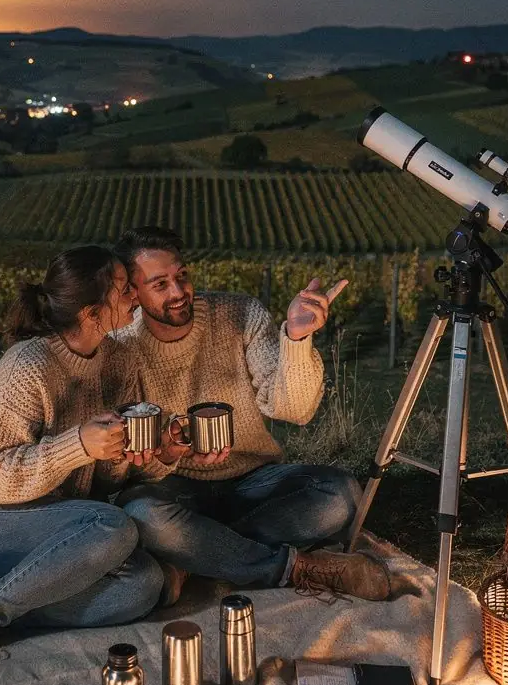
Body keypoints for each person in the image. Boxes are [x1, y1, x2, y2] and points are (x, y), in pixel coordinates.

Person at [0, 246, 177, 685]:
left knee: (144, 585)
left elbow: (99, 483)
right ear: (91, 312)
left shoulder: (121, 360)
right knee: (115, 528)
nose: (135, 298)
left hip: (61, 531)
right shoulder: (26, 368)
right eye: (123, 292)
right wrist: (78, 445)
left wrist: (133, 456)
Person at [112, 226, 393, 602]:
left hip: (251, 480)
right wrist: (166, 456)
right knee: (142, 514)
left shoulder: (240, 313)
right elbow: (127, 461)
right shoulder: (120, 347)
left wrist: (296, 338)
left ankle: (196, 556)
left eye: (181, 277)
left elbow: (293, 410)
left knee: (340, 494)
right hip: (173, 487)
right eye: (160, 284)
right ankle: (299, 567)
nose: (178, 292)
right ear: (133, 292)